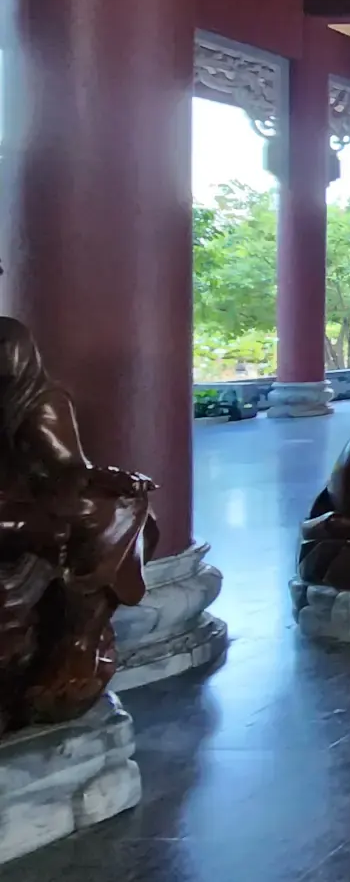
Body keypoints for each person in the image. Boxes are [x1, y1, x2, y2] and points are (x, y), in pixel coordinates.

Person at [0, 314, 153, 733]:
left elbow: (66, 466)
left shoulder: (32, 393)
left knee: (118, 508)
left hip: (22, 506)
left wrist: (100, 476)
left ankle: (77, 641)